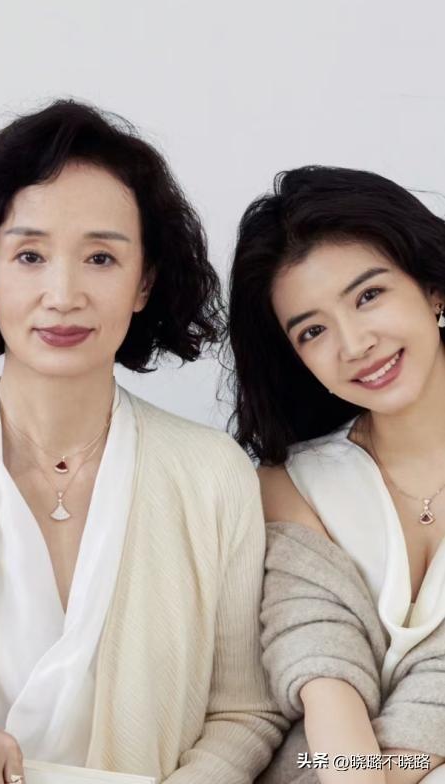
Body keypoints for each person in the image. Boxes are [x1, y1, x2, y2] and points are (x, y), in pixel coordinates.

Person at [0, 100, 285, 784]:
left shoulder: (213, 475)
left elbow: (245, 714)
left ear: (144, 282)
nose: (63, 294)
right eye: (29, 255)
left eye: (101, 257)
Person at [227, 165, 445, 784]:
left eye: (368, 296)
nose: (353, 344)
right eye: (313, 330)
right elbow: (323, 673)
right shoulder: (291, 484)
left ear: (433, 289)